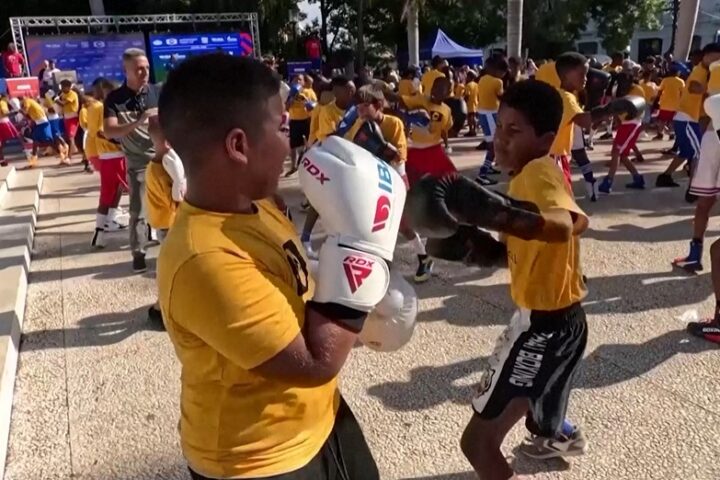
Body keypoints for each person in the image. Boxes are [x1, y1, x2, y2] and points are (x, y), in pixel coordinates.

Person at [157, 54, 401, 480]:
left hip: (320, 420)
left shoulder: (258, 207)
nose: (293, 140)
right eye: (283, 126)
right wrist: (363, 253)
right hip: (258, 459)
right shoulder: (206, 258)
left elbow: (295, 291)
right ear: (238, 145)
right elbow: (312, 363)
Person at [407, 79, 589, 479]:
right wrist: (478, 247)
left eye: (514, 131)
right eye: (498, 127)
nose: (499, 140)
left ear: (545, 139)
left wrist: (496, 214)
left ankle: (554, 429)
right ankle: (556, 431)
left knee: (476, 443)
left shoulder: (538, 173)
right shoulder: (532, 174)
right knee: (529, 402)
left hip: (547, 326)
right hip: (552, 319)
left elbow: (563, 226)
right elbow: (545, 239)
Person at [103, 48, 162, 324]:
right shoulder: (115, 99)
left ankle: (168, 253)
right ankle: (138, 253)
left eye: (146, 67)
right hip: (137, 162)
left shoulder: (157, 92)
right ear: (126, 70)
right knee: (138, 210)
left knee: (168, 209)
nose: (144, 72)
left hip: (163, 159)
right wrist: (138, 121)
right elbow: (110, 131)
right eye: (138, 68)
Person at [672, 49, 720, 272]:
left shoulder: (712, 67)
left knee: (704, 202)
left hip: (713, 135)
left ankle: (695, 254)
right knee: (704, 202)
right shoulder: (710, 68)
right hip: (711, 134)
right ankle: (695, 255)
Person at [655, 44, 716, 188]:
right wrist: (710, 91)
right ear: (706, 56)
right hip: (687, 118)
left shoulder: (704, 71)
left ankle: (665, 176)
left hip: (686, 118)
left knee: (686, 152)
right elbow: (693, 87)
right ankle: (693, 188)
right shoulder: (700, 71)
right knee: (698, 153)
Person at [86, 78, 130, 249]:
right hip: (114, 155)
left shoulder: (99, 107)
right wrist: (123, 141)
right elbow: (101, 132)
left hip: (108, 156)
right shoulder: (102, 107)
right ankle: (149, 230)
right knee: (136, 191)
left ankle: (102, 229)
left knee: (111, 192)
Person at [597, 71, 647, 193]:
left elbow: (639, 108)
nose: (623, 84)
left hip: (632, 124)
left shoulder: (637, 90)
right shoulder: (618, 89)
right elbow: (617, 106)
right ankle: (637, 178)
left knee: (616, 152)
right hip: (625, 125)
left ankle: (608, 182)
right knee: (623, 156)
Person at [145, 116, 184, 241]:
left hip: (167, 225)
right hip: (169, 227)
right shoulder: (161, 172)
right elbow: (175, 204)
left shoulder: (155, 166)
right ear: (168, 143)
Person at [474, 55, 507, 185]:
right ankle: (482, 173)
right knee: (493, 145)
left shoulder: (482, 79)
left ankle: (489, 167)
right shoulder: (497, 82)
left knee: (491, 142)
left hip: (483, 113)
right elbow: (501, 97)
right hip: (491, 114)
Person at [20, 95, 66, 168]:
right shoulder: (30, 102)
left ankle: (63, 156)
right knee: (36, 141)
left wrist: (20, 111)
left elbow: (25, 111)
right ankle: (33, 160)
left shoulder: (26, 101)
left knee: (48, 141)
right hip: (39, 123)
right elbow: (28, 116)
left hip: (43, 124)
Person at [285, 74, 317, 176]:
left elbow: (315, 104)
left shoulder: (308, 92)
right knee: (293, 145)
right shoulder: (290, 93)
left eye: (300, 80)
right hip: (294, 121)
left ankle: (309, 165)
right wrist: (291, 98)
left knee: (309, 144)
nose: (297, 81)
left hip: (306, 120)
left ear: (304, 82)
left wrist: (308, 103)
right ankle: (293, 166)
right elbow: (286, 107)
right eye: (295, 80)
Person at [654, 65, 684, 141]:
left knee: (662, 120)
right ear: (677, 73)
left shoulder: (665, 80)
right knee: (671, 122)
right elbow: (682, 93)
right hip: (675, 105)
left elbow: (660, 91)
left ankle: (660, 134)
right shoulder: (680, 81)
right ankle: (671, 134)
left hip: (664, 104)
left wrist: (657, 100)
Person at [57, 79, 80, 159]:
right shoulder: (63, 94)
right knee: (68, 137)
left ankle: (69, 157)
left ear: (68, 87)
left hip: (73, 117)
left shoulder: (72, 94)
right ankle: (72, 153)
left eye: (63, 87)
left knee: (71, 137)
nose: (62, 89)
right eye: (61, 87)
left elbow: (63, 103)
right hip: (66, 117)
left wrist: (55, 99)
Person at [0, 94, 19, 167]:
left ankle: (1, 160)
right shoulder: (2, 103)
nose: (8, 98)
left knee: (1, 143)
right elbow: (4, 113)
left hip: (3, 122)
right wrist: (14, 112)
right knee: (18, 136)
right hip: (4, 123)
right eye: (7, 97)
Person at [464, 70, 479, 137]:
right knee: (474, 117)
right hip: (475, 103)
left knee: (470, 118)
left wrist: (464, 101)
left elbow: (467, 95)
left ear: (469, 77)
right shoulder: (476, 85)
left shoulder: (468, 85)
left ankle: (471, 130)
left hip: (470, 103)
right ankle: (474, 130)